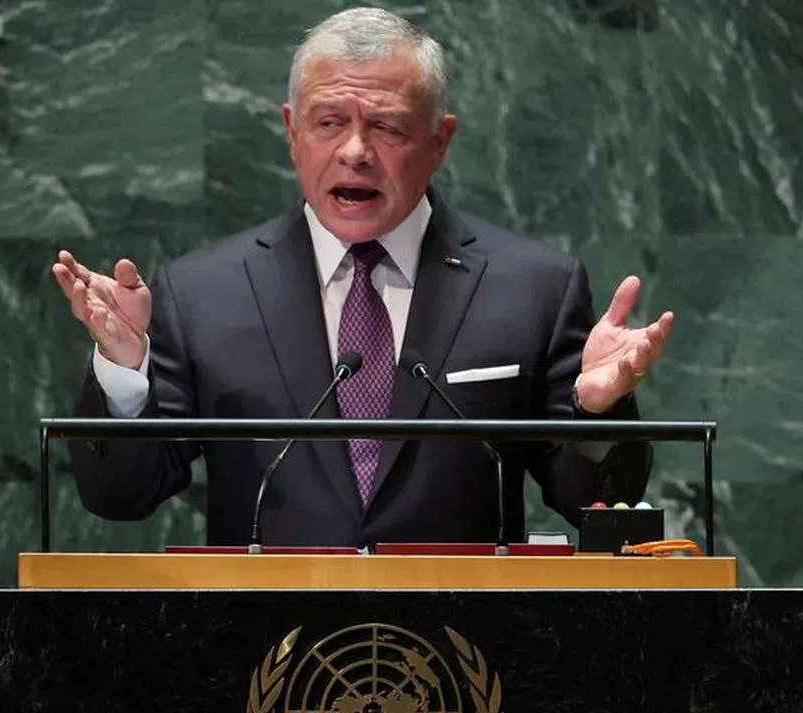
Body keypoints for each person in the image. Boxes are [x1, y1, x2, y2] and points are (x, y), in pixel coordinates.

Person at [51, 7, 673, 547]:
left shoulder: (533, 287)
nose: (355, 151)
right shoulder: (203, 293)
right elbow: (120, 497)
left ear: (439, 140)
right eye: (328, 123)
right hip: (263, 654)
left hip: (469, 653)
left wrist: (598, 410)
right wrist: (124, 376)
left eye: (386, 126)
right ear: (292, 133)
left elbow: (591, 499)